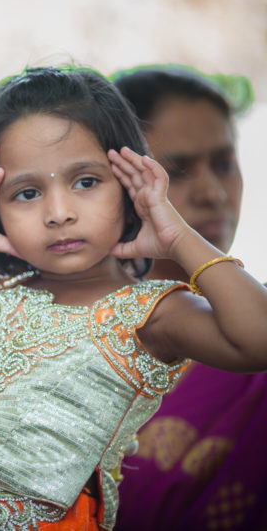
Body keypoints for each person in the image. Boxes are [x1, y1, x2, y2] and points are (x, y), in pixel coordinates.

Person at [0, 66, 267, 530]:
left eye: (86, 182)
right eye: (26, 193)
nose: (59, 213)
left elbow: (257, 339)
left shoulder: (152, 313)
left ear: (130, 186)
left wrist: (176, 234)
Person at [113, 67, 267, 530]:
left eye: (223, 163)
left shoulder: (253, 333)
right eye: (178, 170)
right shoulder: (69, 329)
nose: (213, 193)